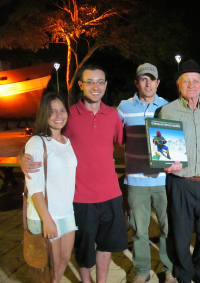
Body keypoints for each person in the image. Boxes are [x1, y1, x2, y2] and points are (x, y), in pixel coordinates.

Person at [19, 64, 128, 283]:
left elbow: (126, 144)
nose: (95, 87)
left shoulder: (113, 116)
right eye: (90, 82)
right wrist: (21, 158)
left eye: (100, 82)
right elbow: (42, 141)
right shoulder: (69, 116)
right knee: (82, 250)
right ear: (81, 85)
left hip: (110, 194)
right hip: (79, 198)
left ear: (105, 85)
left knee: (105, 246)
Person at [117, 63, 177, 283]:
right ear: (137, 82)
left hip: (164, 180)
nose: (148, 83)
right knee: (140, 230)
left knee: (167, 228)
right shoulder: (124, 107)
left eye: (152, 79)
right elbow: (116, 137)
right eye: (143, 79)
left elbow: (175, 142)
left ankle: (169, 268)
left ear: (158, 83)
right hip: (135, 180)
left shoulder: (168, 107)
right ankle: (142, 270)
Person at [159, 60, 200, 283]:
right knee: (181, 234)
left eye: (195, 80)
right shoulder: (168, 111)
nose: (191, 84)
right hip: (180, 182)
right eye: (186, 81)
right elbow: (161, 147)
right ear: (178, 85)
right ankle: (184, 274)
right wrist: (164, 163)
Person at [25, 92, 77, 282]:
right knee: (49, 265)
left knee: (64, 258)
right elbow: (34, 186)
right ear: (44, 115)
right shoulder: (37, 142)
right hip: (46, 214)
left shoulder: (66, 141)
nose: (59, 116)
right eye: (52, 112)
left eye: (62, 110)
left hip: (66, 211)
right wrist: (47, 219)